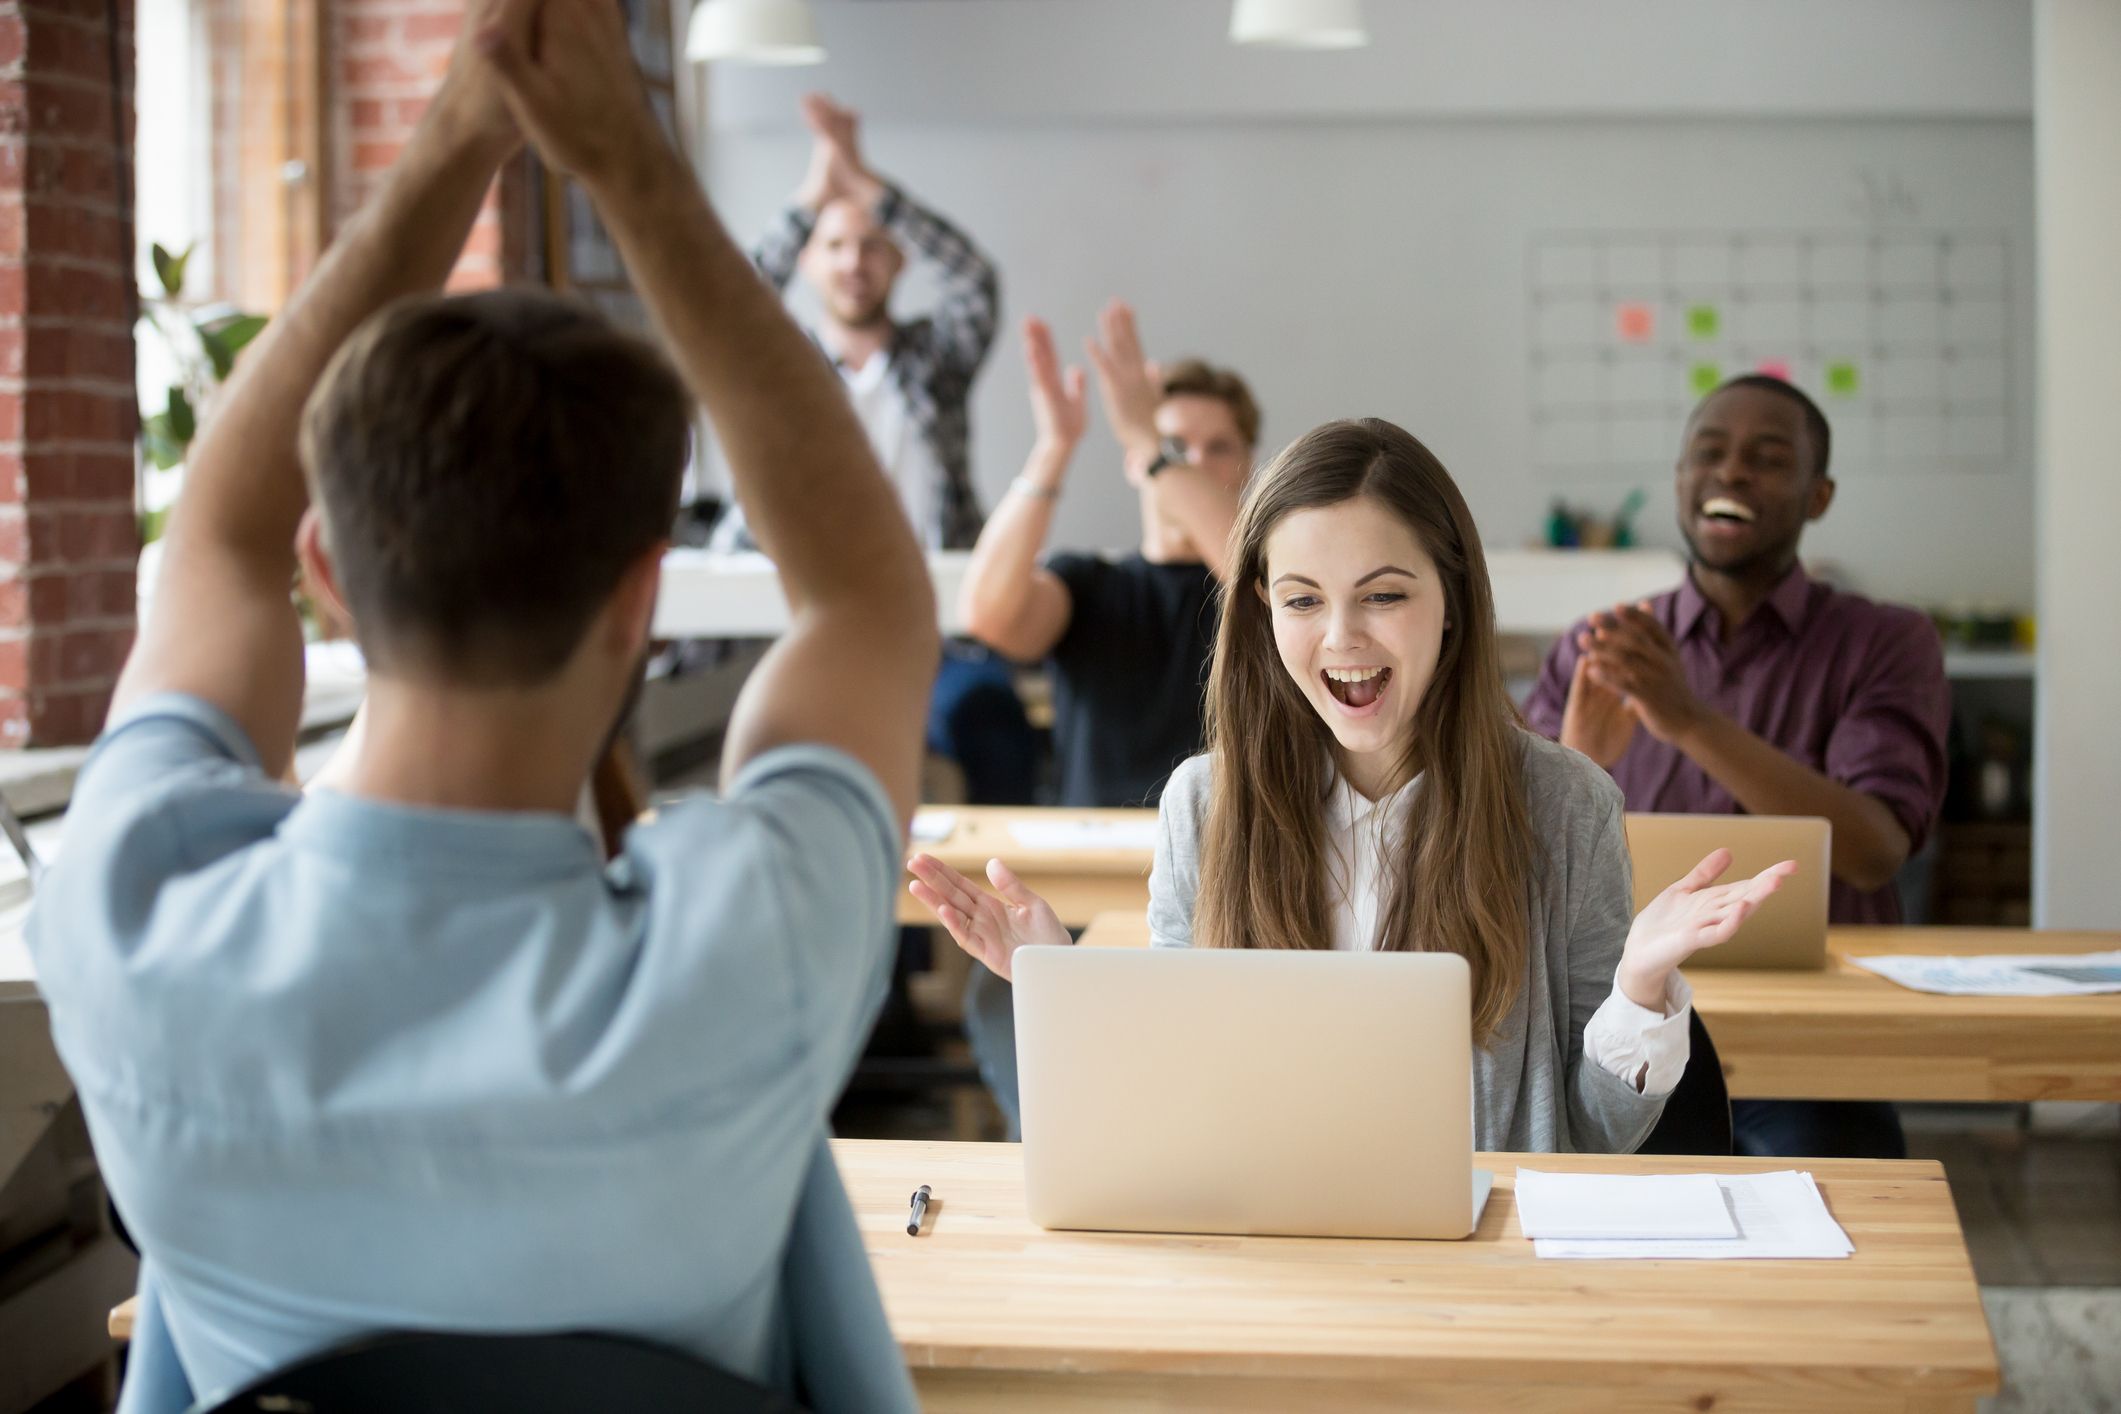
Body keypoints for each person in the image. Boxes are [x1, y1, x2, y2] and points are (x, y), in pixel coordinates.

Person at [27, 3, 932, 1407]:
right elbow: (868, 597)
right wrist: (630, 169)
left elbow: (211, 537)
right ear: (642, 595)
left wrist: (458, 134)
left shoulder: (134, 922)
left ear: (326, 570)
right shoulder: (750, 955)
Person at [911, 418, 1795, 1154]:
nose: (1340, 637)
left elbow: (1595, 1141)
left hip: (1485, 1282)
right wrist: (1056, 980)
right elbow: (1177, 1100)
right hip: (1273, 1255)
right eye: (1300, 601)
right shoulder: (1204, 804)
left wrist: (1639, 987)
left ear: (1450, 600)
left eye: (1382, 596)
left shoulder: (1564, 803)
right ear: (1261, 611)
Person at [1523, 374, 1951, 1161]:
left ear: (1816, 495)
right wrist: (1576, 763)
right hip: (1632, 1032)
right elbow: (1520, 869)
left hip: (1815, 1052)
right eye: (1707, 454)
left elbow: (1875, 848)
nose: (1729, 474)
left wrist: (1686, 720)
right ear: (1681, 481)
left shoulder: (1885, 642)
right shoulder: (1600, 645)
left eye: (1766, 458)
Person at [949, 303, 1255, 1131]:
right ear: (1132, 461)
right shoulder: (1090, 585)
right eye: (1169, 443)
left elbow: (1253, 567)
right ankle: (1076, 1142)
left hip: (1226, 890)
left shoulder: (1272, 595)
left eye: (1211, 447)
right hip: (1086, 893)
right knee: (998, 993)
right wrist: (1055, 446)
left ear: (1246, 463)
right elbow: (986, 611)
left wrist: (1150, 449)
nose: (1188, 459)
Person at [712, 91, 1034, 806]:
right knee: (828, 772)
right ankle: (883, 923)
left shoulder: (934, 360)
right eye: (833, 246)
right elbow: (726, 300)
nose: (853, 261)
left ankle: (1014, 913)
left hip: (944, 626)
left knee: (992, 723)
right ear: (807, 263)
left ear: (895, 259)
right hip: (825, 627)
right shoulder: (781, 370)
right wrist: (812, 195)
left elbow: (972, 280)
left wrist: (866, 187)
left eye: (870, 244)